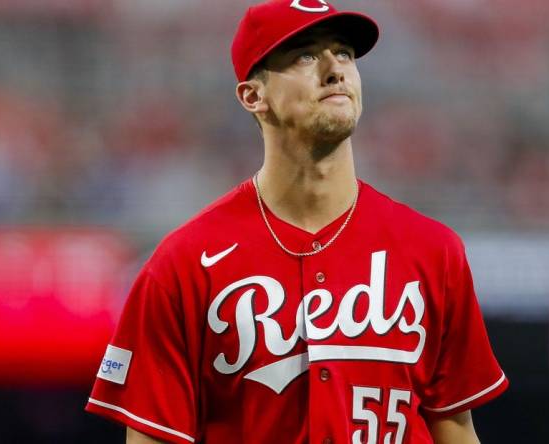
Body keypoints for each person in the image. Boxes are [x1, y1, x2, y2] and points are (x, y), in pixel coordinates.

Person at [85, 1, 508, 443]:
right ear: (253, 96)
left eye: (343, 53)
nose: (334, 69)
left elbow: (453, 426)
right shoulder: (184, 263)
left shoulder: (433, 251)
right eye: (305, 56)